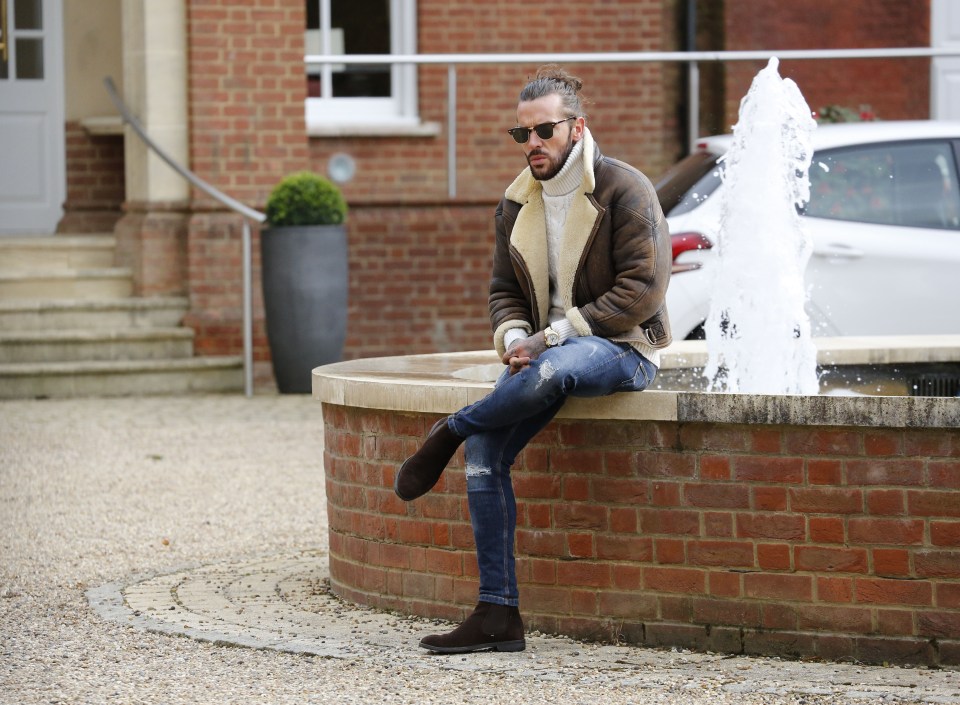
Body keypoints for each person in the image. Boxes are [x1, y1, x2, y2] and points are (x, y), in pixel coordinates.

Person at [393, 65, 672, 654]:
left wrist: (549, 339)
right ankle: (497, 615)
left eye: (544, 131)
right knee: (488, 450)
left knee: (558, 366)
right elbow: (503, 291)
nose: (533, 145)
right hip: (540, 352)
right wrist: (516, 335)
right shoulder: (516, 204)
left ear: (577, 127)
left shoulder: (625, 189)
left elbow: (642, 290)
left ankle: (450, 429)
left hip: (620, 348)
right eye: (522, 135)